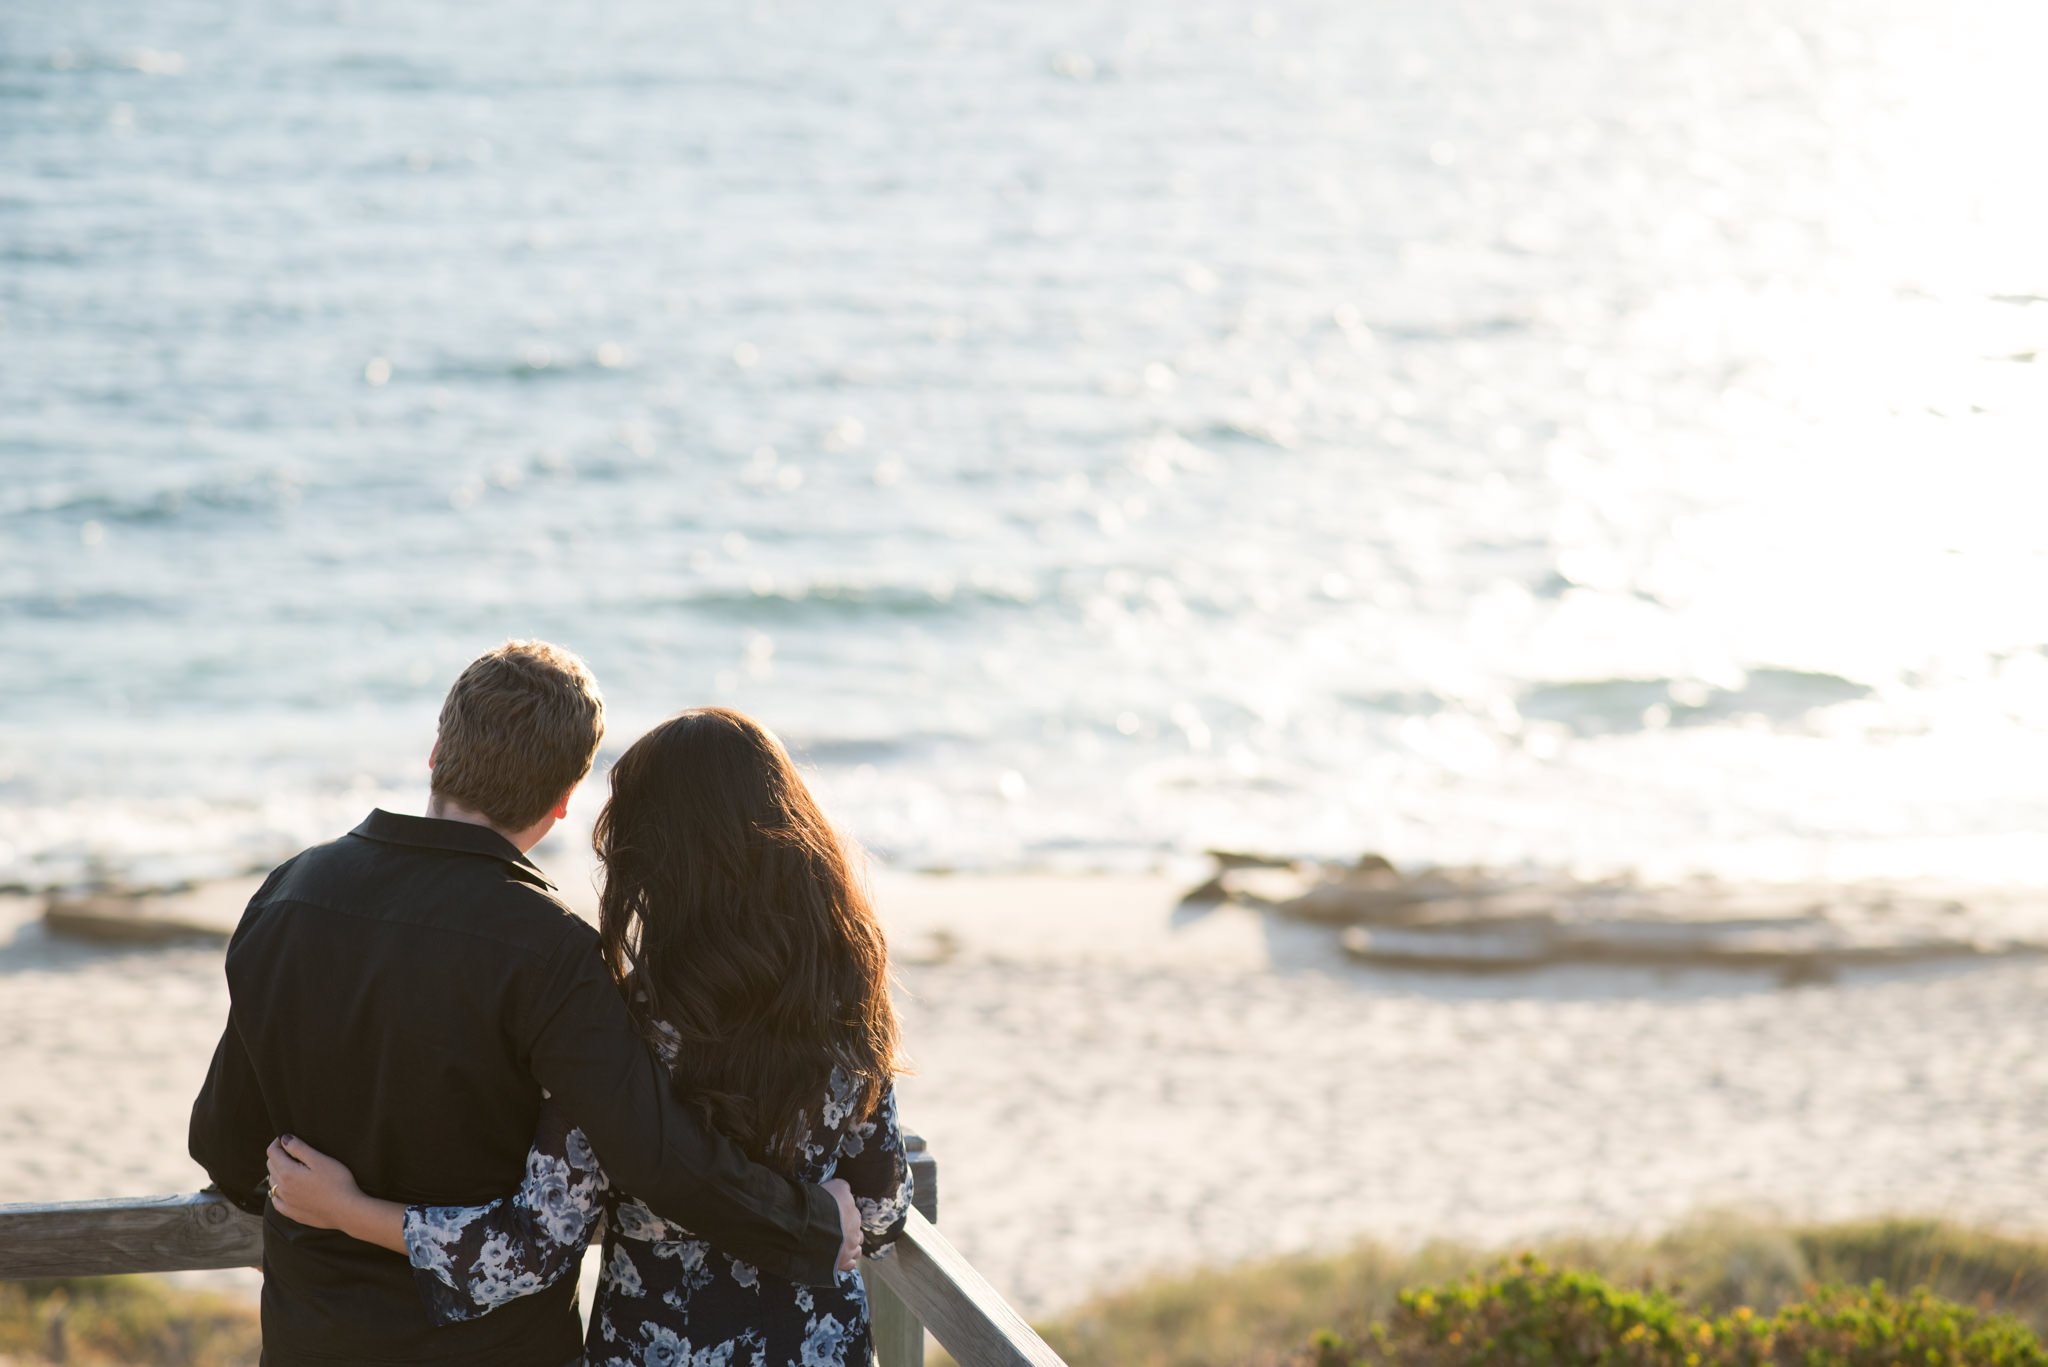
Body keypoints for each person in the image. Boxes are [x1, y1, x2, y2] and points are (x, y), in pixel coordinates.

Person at [189, 645, 860, 1367]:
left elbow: (223, 1141)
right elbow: (657, 1154)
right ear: (565, 799)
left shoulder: (289, 894)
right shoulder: (555, 951)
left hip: (314, 1341)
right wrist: (809, 1225)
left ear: (439, 751)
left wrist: (315, 1213)